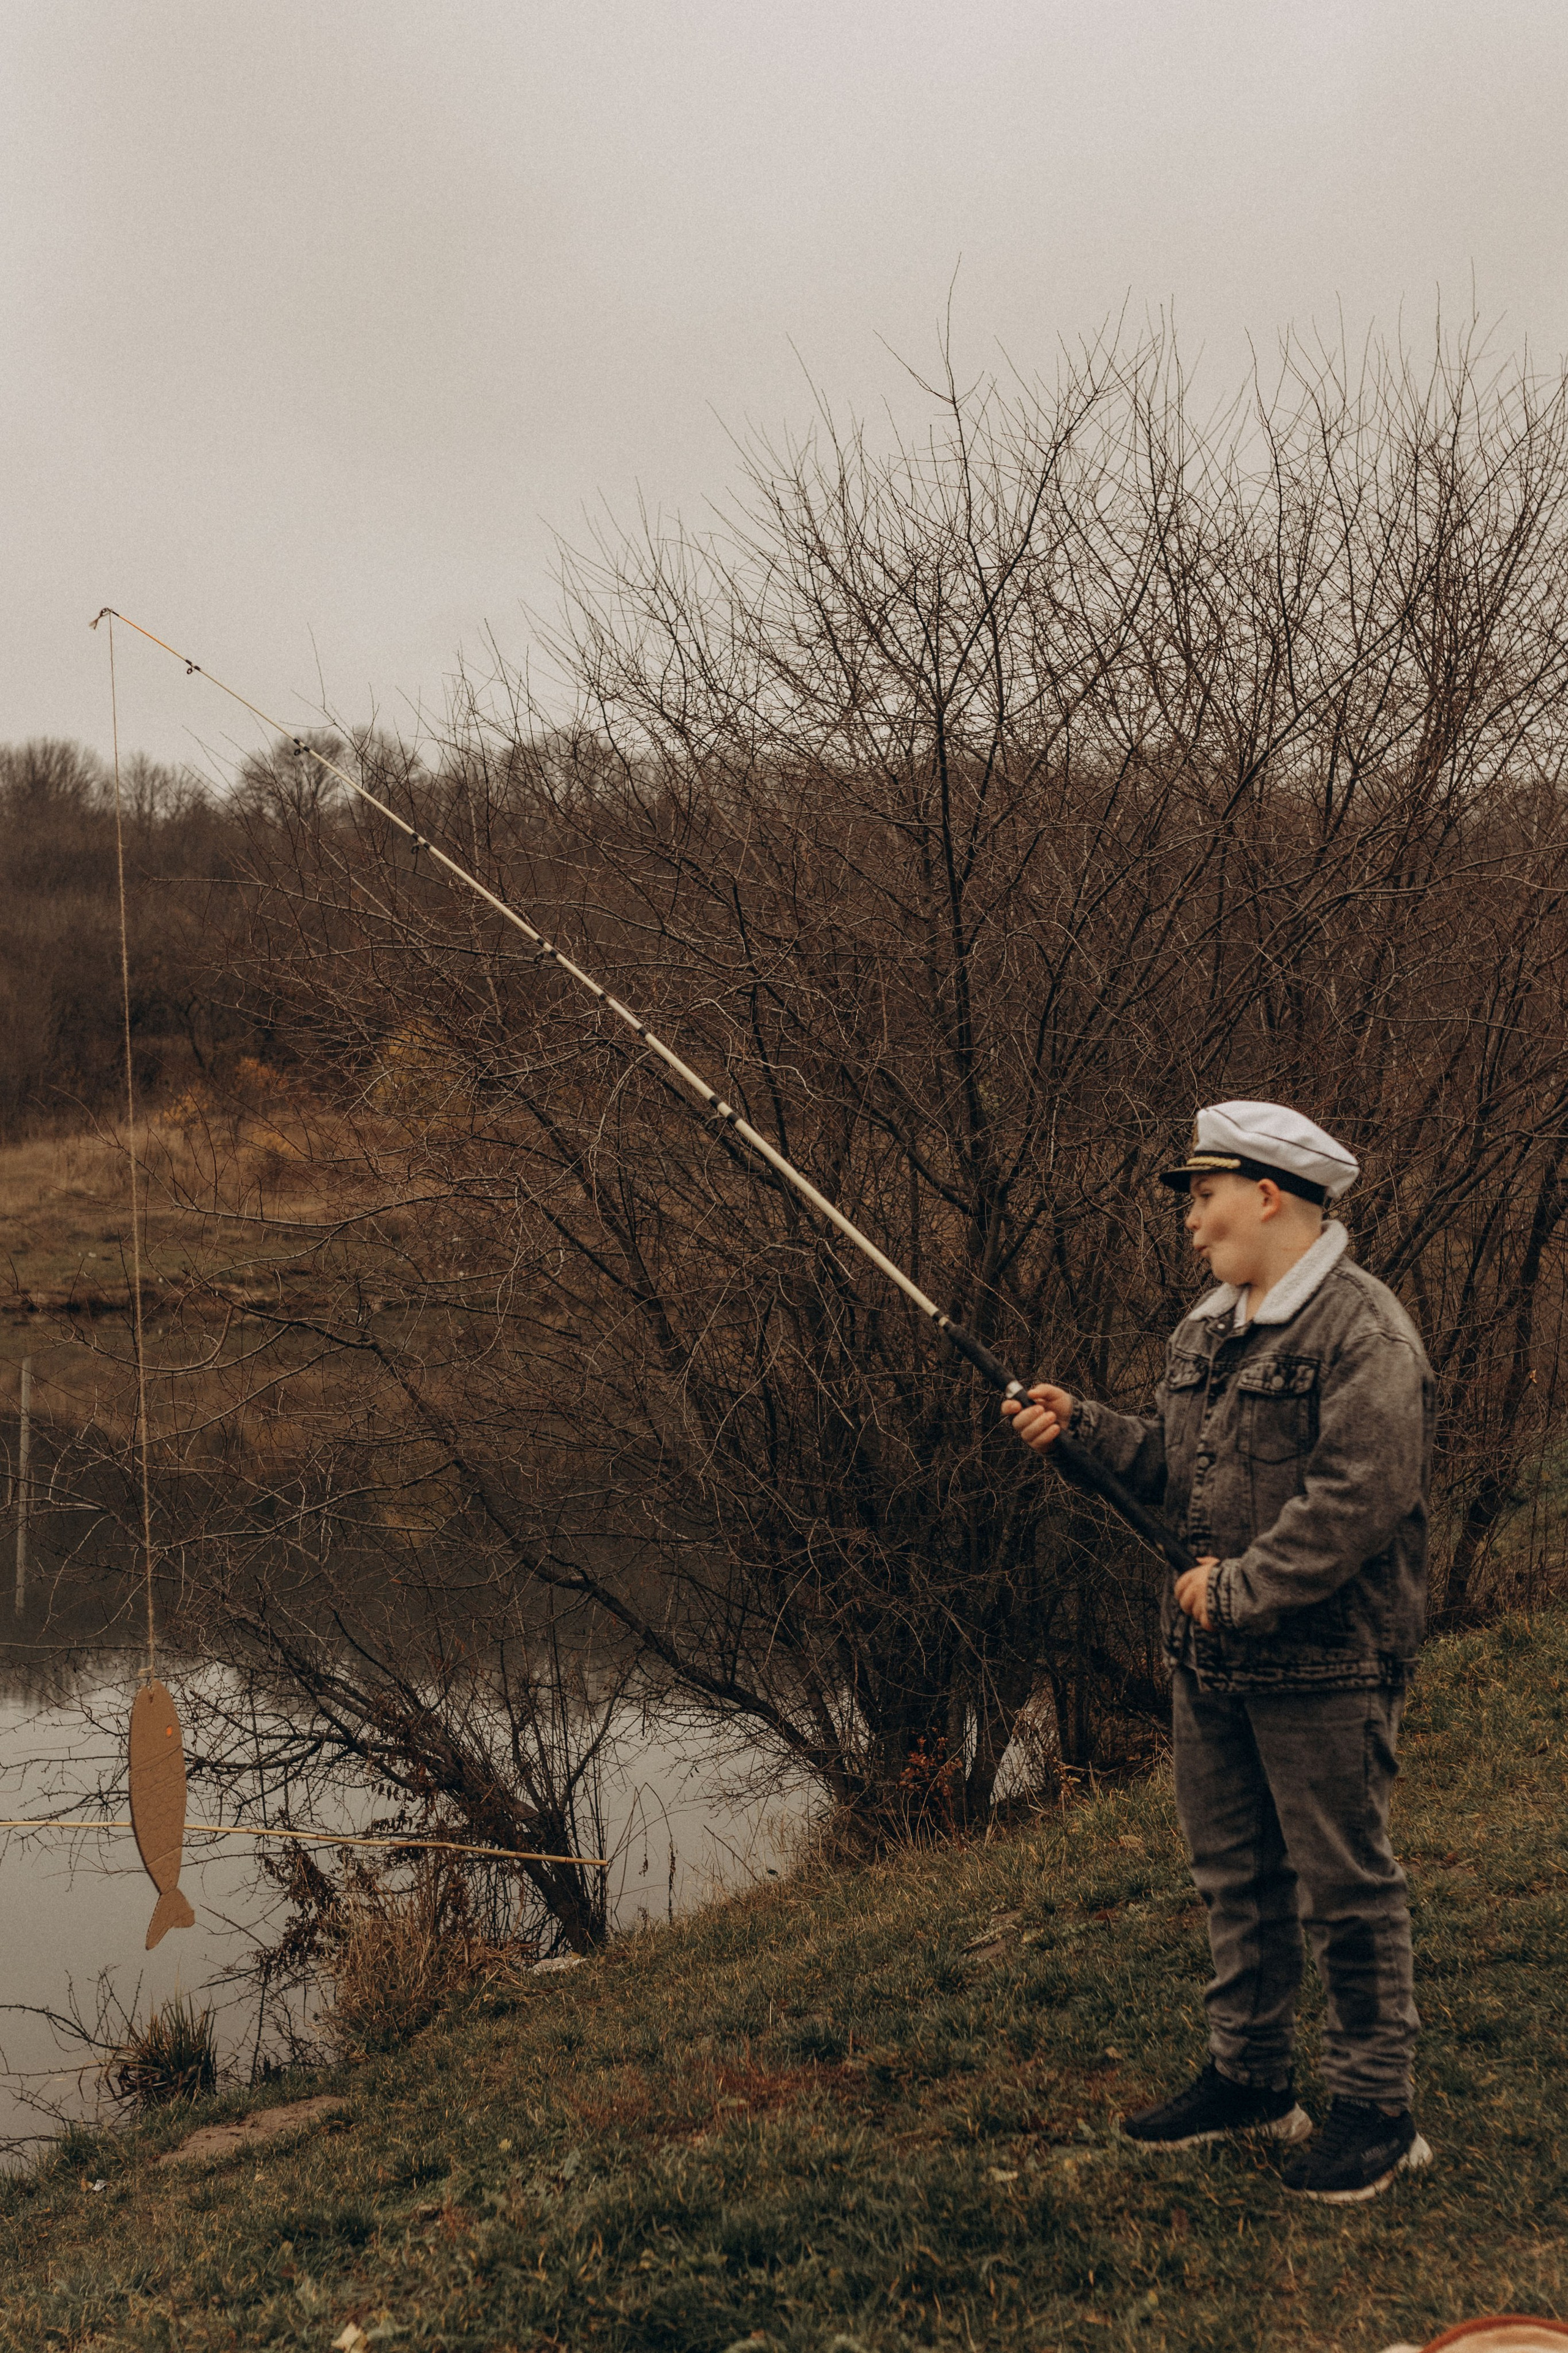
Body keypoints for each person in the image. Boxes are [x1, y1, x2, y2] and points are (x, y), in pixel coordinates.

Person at [1005, 1101, 1434, 2202]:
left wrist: (1239, 1589)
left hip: (1327, 1665)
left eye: (1203, 1197)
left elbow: (1361, 1499)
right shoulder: (1205, 1331)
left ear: (1267, 1193)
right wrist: (1084, 1429)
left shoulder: (1363, 1333)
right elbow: (1180, 1469)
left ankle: (1378, 2113)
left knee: (1345, 1888)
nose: (1191, 1223)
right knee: (1236, 1881)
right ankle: (1251, 2079)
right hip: (1213, 1665)